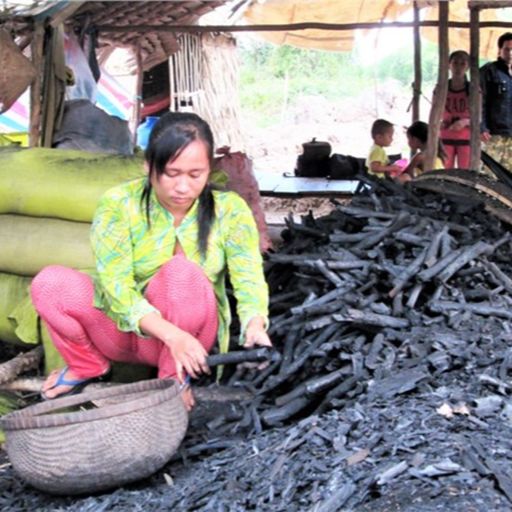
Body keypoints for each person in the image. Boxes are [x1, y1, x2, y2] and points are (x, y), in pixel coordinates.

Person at [31, 112, 272, 409]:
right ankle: (86, 365)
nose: (183, 187)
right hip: (125, 335)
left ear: (209, 170)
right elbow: (115, 283)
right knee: (49, 283)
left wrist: (255, 324)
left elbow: (248, 277)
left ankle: (173, 379)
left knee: (181, 273)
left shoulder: (230, 210)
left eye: (195, 175)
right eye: (172, 173)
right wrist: (172, 336)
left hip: (192, 340)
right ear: (148, 166)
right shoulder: (119, 203)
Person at [480, 32, 512, 171]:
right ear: (500, 50)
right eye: (507, 49)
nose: (510, 52)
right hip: (494, 134)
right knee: (490, 174)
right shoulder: (489, 71)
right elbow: (480, 101)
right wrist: (482, 127)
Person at [439, 50, 471, 169]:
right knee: (446, 174)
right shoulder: (441, 88)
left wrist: (464, 122)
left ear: (468, 67)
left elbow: (478, 117)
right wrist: (440, 123)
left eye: (462, 64)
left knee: (466, 174)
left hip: (466, 139)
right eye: (455, 63)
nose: (458, 67)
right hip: (445, 137)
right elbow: (434, 112)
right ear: (449, 65)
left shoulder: (473, 89)